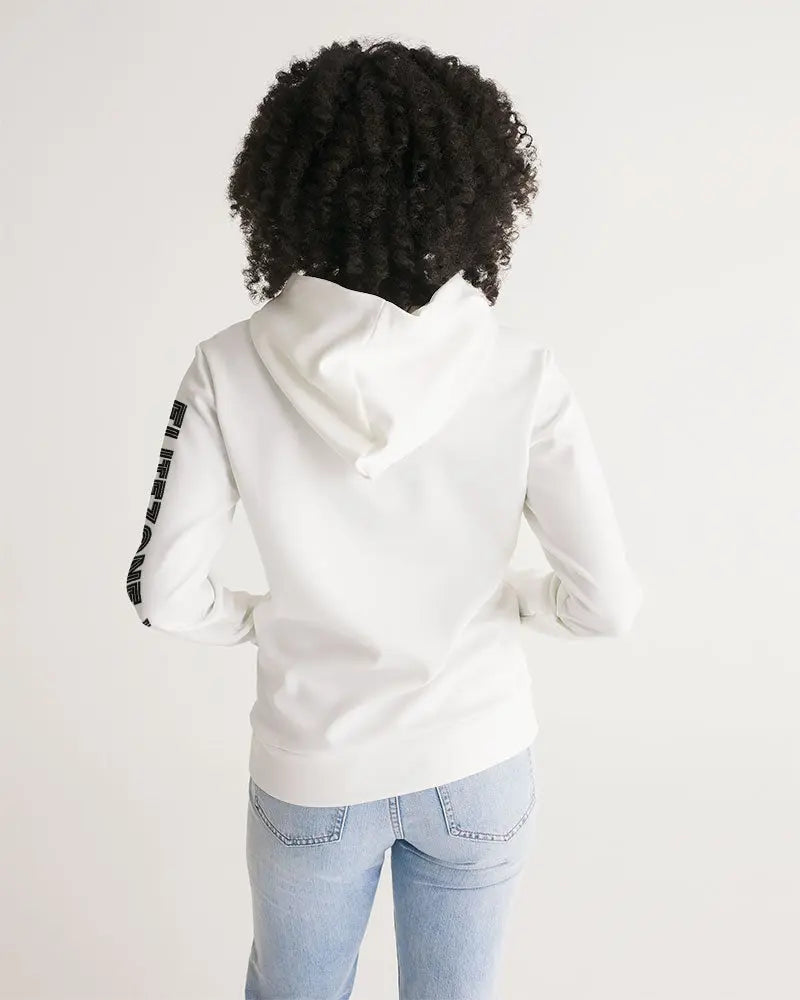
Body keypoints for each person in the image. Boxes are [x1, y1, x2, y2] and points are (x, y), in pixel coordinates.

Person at [125, 37, 643, 1000]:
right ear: (472, 191)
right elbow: (606, 604)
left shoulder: (228, 367)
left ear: (282, 194)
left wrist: (268, 620)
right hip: (477, 761)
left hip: (312, 772)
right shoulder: (520, 371)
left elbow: (163, 593)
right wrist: (511, 601)